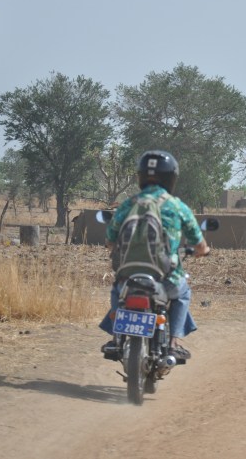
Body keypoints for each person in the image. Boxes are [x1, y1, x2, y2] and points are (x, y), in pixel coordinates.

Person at [99, 150, 210, 361]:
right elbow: (198, 241)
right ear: (171, 178)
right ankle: (173, 344)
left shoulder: (128, 204)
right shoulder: (176, 206)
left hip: (128, 276)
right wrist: (203, 251)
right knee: (183, 294)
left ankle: (116, 338)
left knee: (117, 290)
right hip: (166, 277)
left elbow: (110, 239)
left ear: (141, 176)